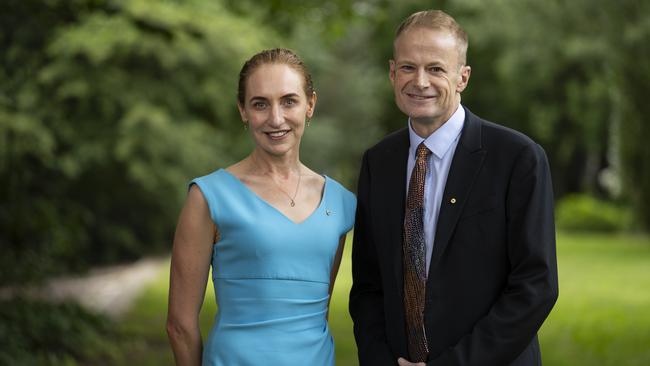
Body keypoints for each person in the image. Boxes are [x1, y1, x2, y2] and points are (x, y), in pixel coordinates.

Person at [349, 10, 558, 366]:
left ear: (462, 77)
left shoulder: (518, 158)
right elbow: (369, 285)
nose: (420, 81)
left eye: (435, 68)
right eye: (407, 67)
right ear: (391, 72)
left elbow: (535, 286)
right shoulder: (378, 162)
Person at [166, 48, 356, 366]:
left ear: (310, 105)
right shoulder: (209, 197)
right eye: (260, 104)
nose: (276, 119)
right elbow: (180, 325)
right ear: (243, 110)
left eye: (289, 101)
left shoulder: (340, 203)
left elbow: (317, 312)